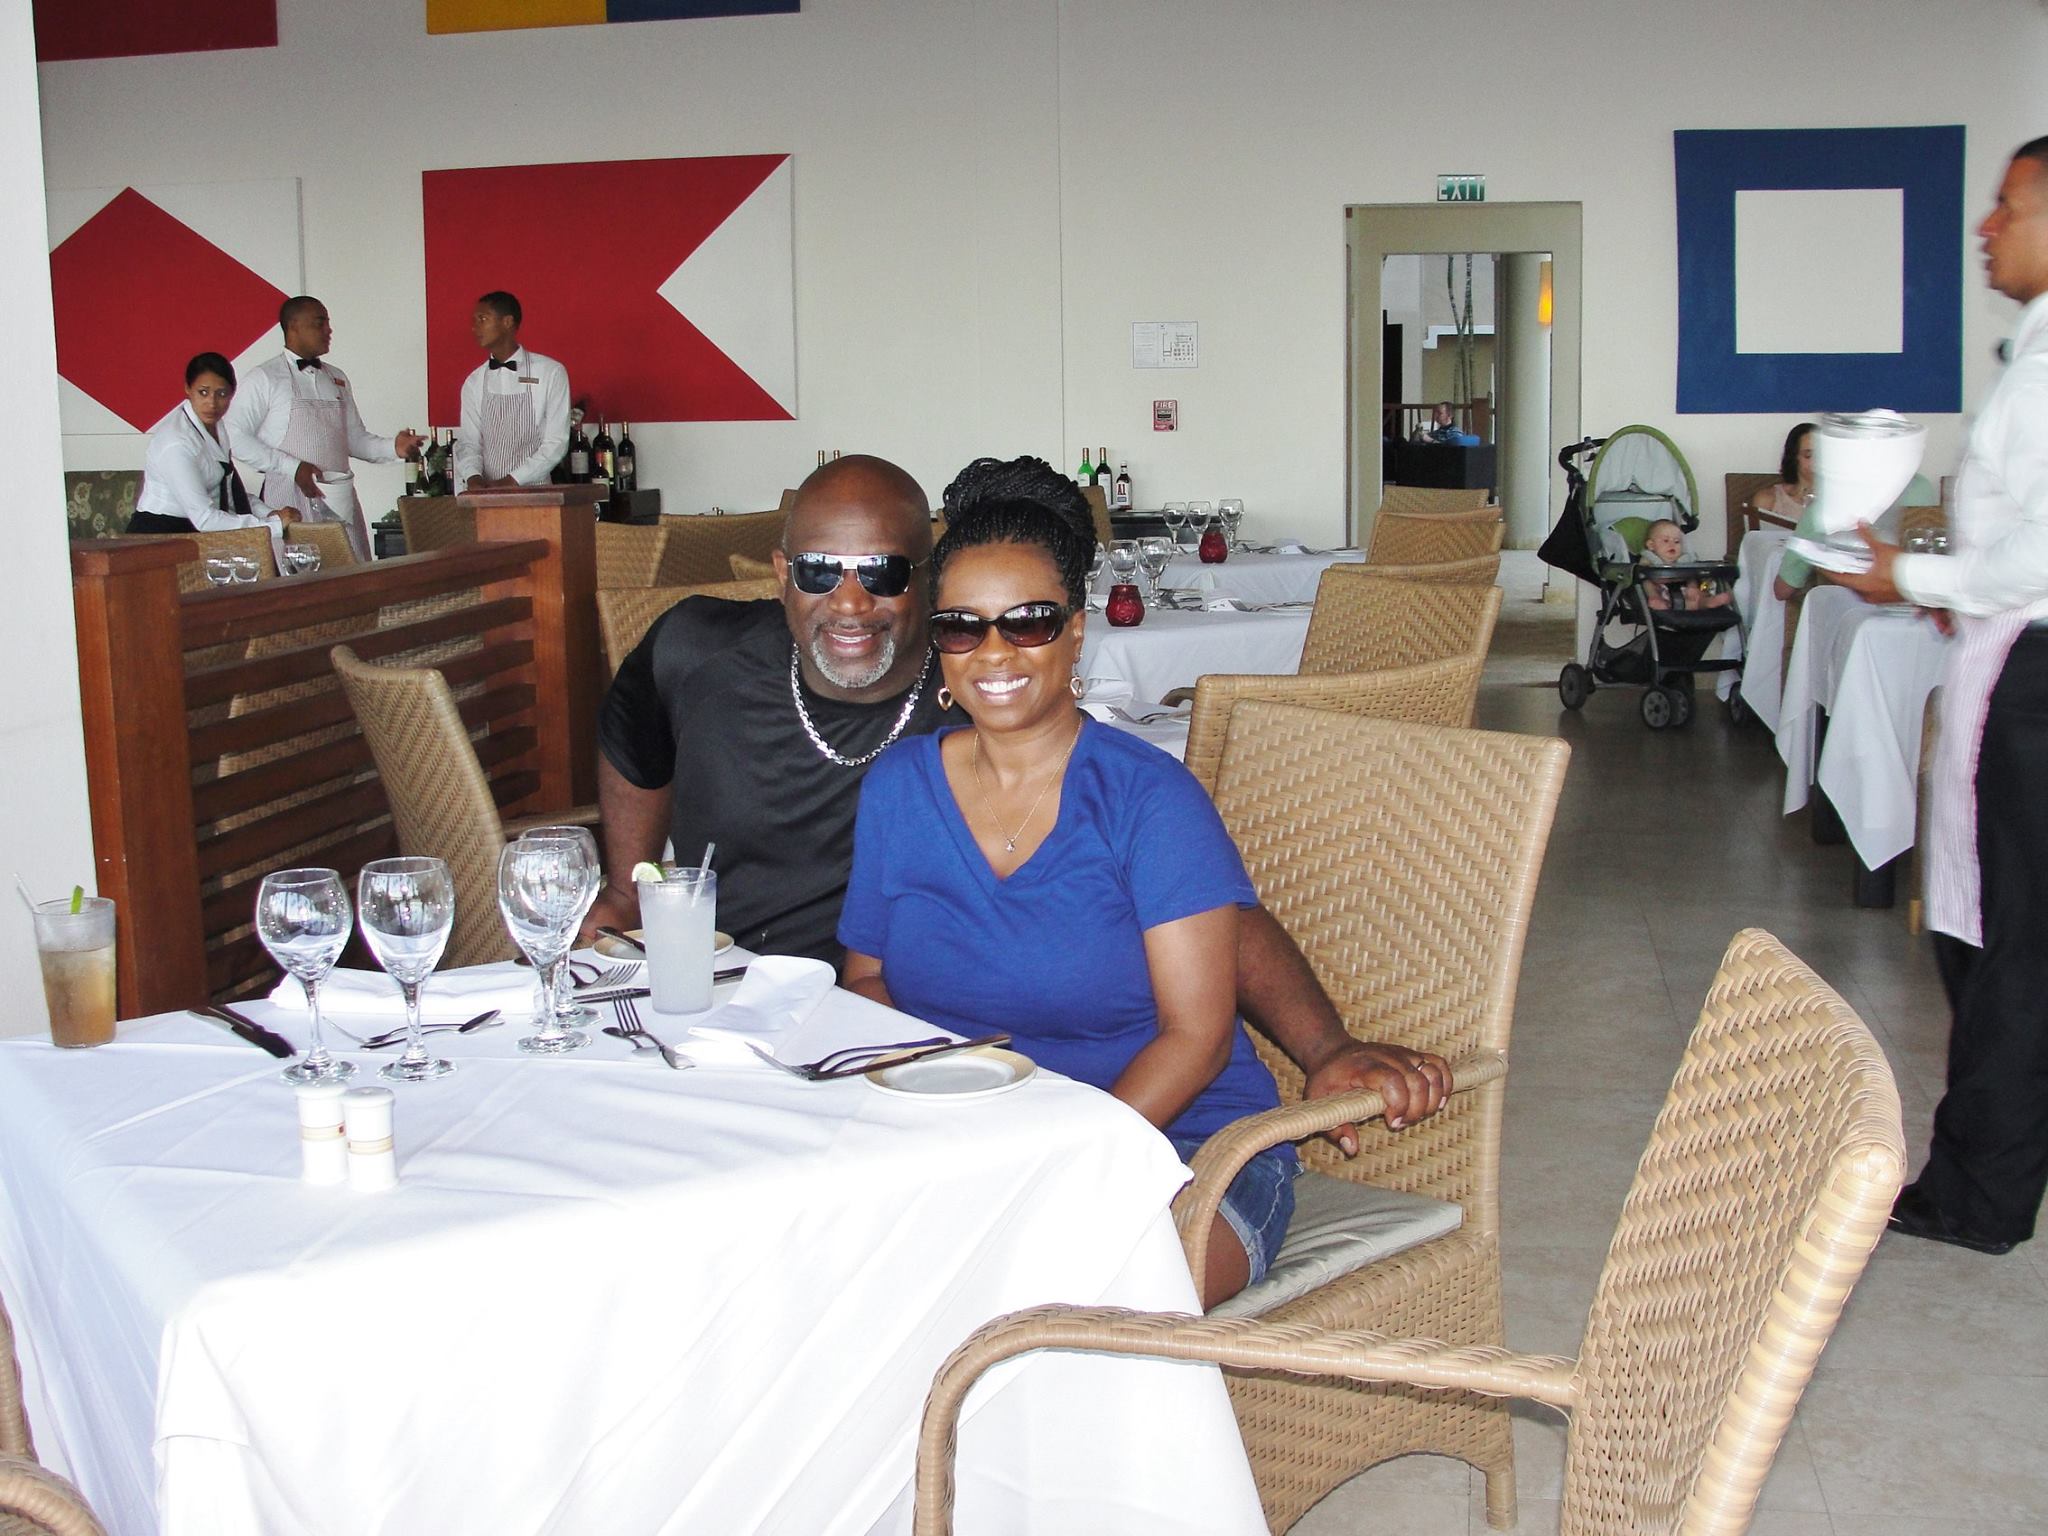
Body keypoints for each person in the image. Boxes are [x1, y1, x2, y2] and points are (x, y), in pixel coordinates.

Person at [595, 453, 1451, 1154]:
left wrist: (1325, 1044)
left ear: (921, 583)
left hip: (1037, 1114)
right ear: (784, 573)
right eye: (821, 571)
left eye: (883, 574)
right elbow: (631, 734)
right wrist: (627, 887)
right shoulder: (708, 653)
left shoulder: (1010, 713)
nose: (850, 602)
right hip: (772, 1035)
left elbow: (1208, 920)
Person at [837, 489, 1287, 1304]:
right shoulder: (898, 787)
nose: (994, 652)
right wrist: (936, 1105)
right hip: (973, 1146)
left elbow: (1196, 1040)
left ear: (1075, 632)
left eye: (1029, 622)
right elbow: (865, 981)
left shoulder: (1149, 798)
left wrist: (1053, 1160)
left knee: (1040, 1301)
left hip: (1182, 1148)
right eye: (963, 627)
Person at [1834, 137, 2048, 1255]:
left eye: (2008, 207)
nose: (1985, 227)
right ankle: (1987, 1173)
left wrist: (1913, 579)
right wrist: (1946, 591)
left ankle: (1976, 1194)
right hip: (2012, 652)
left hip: (2034, 683)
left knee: (2011, 947)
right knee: (1997, 936)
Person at [225, 296, 423, 560]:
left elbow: (353, 438)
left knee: (350, 573)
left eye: (327, 323)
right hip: (287, 500)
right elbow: (233, 436)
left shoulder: (337, 377)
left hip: (338, 498)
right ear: (293, 326)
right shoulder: (264, 378)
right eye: (320, 323)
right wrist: (291, 467)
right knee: (299, 576)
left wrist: (393, 448)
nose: (329, 330)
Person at [127, 352, 299, 542]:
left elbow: (226, 494)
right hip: (159, 536)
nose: (212, 403)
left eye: (222, 394)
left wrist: (268, 513)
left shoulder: (217, 426)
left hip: (193, 531)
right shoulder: (176, 443)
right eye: (203, 392)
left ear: (232, 394)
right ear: (188, 389)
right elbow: (205, 519)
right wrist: (273, 525)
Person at [455, 291, 569, 491]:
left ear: (507, 322)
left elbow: (556, 443)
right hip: (488, 496)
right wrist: (473, 478)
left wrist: (512, 480)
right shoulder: (474, 382)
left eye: (482, 319)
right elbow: (469, 443)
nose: (474, 327)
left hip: (538, 494)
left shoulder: (551, 372)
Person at [1639, 518, 1732, 611]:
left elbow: (1692, 575)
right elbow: (1642, 573)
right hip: (1661, 593)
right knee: (1645, 578)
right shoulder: (1649, 558)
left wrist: (1692, 586)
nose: (1672, 544)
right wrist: (1654, 594)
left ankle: (1707, 602)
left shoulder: (1684, 560)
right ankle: (1655, 598)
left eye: (1677, 541)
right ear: (1651, 545)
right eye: (1666, 540)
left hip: (1685, 594)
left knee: (1696, 593)